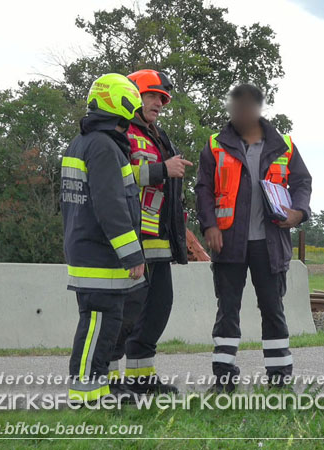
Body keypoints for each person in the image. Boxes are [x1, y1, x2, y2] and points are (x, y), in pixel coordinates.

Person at [195, 83, 312, 392]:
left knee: (273, 309)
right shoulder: (215, 145)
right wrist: (209, 225)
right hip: (229, 243)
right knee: (227, 310)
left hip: (271, 244)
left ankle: (279, 380)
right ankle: (223, 379)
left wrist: (298, 212)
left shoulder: (284, 144)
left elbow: (303, 182)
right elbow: (204, 189)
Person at [60, 73, 146, 402]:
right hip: (101, 256)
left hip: (89, 250)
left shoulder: (85, 142)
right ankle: (86, 395)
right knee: (98, 323)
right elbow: (111, 206)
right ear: (123, 105)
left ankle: (100, 389)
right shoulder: (104, 146)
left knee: (104, 322)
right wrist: (132, 255)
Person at [108, 69, 192, 395]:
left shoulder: (157, 134)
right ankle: (110, 382)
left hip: (157, 237)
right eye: (153, 95)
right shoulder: (120, 132)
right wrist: (161, 169)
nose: (160, 102)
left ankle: (141, 380)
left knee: (158, 308)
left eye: (162, 98)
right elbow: (114, 176)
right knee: (126, 311)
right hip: (130, 237)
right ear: (134, 95)